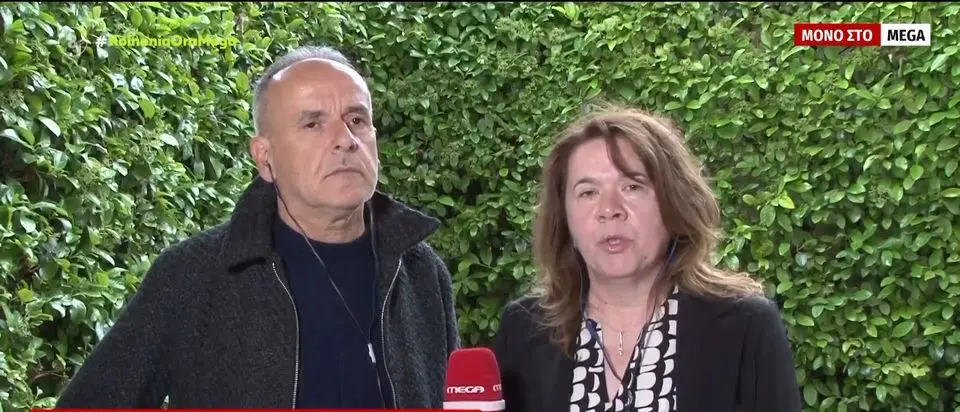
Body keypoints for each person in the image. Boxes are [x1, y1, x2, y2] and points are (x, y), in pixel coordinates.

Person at [55, 45, 460, 409]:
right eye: (313, 124)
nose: (345, 139)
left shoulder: (421, 271)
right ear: (265, 157)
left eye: (357, 119)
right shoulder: (193, 276)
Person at [492, 105, 801, 412]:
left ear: (673, 203)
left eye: (632, 186)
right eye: (588, 192)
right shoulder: (524, 329)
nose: (609, 209)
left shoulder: (745, 328)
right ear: (565, 217)